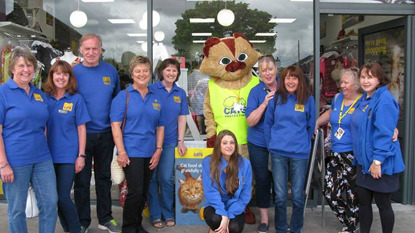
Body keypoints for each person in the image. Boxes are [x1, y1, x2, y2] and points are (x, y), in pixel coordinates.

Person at [0, 46, 58, 233]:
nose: (26, 70)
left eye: (30, 65)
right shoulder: (3, 93)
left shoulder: (39, 94)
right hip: (15, 160)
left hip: (42, 158)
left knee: (50, 203)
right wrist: (3, 164)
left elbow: (44, 126)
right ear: (12, 69)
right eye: (21, 66)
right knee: (17, 209)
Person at [72, 33, 121, 233]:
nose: (91, 52)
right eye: (87, 49)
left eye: (95, 48)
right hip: (81, 136)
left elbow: (117, 101)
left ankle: (105, 218)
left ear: (101, 50)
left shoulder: (110, 71)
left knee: (104, 178)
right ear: (81, 51)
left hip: (106, 134)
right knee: (82, 181)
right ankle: (83, 221)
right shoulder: (73, 72)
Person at [110, 56, 165, 233]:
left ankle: (136, 224)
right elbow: (115, 126)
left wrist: (158, 150)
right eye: (138, 71)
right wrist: (121, 152)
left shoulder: (155, 97)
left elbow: (160, 127)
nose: (142, 74)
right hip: (131, 151)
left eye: (145, 70)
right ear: (132, 73)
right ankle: (128, 228)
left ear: (150, 73)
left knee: (143, 193)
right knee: (135, 192)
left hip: (150, 151)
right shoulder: (123, 96)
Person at [351, 63, 405, 233]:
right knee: (364, 203)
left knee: (383, 205)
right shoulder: (365, 98)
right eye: (363, 77)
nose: (366, 81)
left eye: (370, 77)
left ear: (379, 79)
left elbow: (383, 133)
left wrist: (377, 161)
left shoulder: (384, 99)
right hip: (363, 162)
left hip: (379, 163)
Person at [264, 65, 316, 233]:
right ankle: (280, 229)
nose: (291, 81)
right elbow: (268, 124)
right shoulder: (276, 98)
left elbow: (310, 126)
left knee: (297, 197)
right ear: (283, 80)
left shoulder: (308, 99)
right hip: (278, 152)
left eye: (294, 78)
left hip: (299, 155)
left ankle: (295, 229)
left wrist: (303, 145)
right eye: (287, 77)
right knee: (279, 196)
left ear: (300, 80)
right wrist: (271, 145)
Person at [43, 60, 91, 233]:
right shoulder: (43, 98)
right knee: (54, 198)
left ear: (70, 77)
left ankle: (76, 229)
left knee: (63, 197)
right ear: (52, 76)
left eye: (65, 74)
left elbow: (81, 129)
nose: (61, 77)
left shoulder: (76, 99)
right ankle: (68, 229)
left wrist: (81, 155)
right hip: (45, 157)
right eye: (57, 73)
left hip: (68, 157)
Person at [315, 68, 362, 233]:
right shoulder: (337, 98)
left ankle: (351, 226)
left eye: (346, 82)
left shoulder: (363, 101)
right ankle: (350, 220)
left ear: (356, 84)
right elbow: (330, 113)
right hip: (335, 153)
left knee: (352, 194)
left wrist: (393, 130)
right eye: (341, 82)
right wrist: (316, 123)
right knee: (330, 192)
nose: (342, 85)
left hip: (352, 155)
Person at [148, 58, 189, 228]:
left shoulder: (180, 94)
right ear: (161, 71)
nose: (171, 73)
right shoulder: (151, 89)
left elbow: (181, 119)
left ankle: (168, 213)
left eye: (174, 70)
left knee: (166, 179)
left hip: (170, 142)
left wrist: (181, 141)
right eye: (168, 70)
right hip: (150, 142)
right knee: (151, 180)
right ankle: (155, 214)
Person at [245, 55, 278, 233]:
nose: (267, 73)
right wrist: (264, 103)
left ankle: (280, 219)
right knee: (263, 181)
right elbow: (250, 121)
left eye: (270, 69)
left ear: (276, 69)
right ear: (259, 72)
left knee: (280, 182)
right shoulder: (256, 92)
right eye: (263, 70)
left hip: (281, 144)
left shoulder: (287, 87)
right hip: (258, 143)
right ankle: (264, 221)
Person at [202, 130, 252, 233]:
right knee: (216, 220)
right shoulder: (209, 162)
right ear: (218, 145)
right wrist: (222, 213)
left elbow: (245, 194)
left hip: (235, 204)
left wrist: (229, 214)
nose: (229, 146)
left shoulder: (245, 164)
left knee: (234, 227)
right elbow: (211, 191)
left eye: (232, 142)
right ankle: (213, 229)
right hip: (215, 204)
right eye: (224, 143)